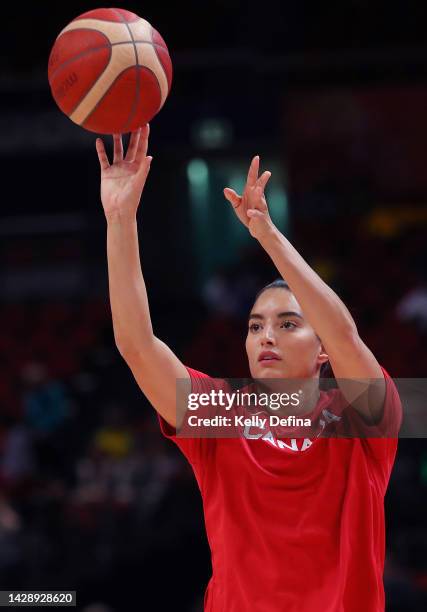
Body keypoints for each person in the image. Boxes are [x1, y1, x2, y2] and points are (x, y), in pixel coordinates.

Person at [96, 126, 402, 612]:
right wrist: (120, 220)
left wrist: (267, 234)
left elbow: (344, 335)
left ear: (320, 350)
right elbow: (136, 344)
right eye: (256, 325)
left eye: (287, 324)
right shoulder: (219, 415)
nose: (267, 336)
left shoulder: (365, 420)